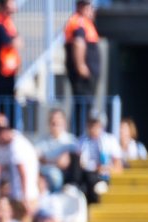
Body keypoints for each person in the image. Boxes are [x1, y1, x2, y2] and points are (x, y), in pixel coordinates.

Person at [64, 0, 100, 136]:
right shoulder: (78, 22)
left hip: (86, 76)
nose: (90, 9)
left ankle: (81, 134)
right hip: (82, 77)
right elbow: (78, 43)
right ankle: (79, 136)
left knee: (86, 107)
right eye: (86, 6)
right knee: (82, 107)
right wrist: (80, 65)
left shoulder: (85, 22)